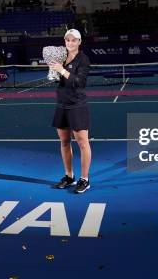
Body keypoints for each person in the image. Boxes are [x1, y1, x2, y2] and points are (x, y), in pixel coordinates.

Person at [48, 29, 92, 194]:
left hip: (77, 105)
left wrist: (62, 70)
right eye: (68, 40)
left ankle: (85, 179)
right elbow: (57, 78)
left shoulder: (83, 59)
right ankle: (69, 176)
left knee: (82, 142)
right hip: (61, 104)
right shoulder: (61, 58)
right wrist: (53, 71)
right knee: (64, 142)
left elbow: (79, 82)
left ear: (79, 42)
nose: (70, 43)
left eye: (74, 40)